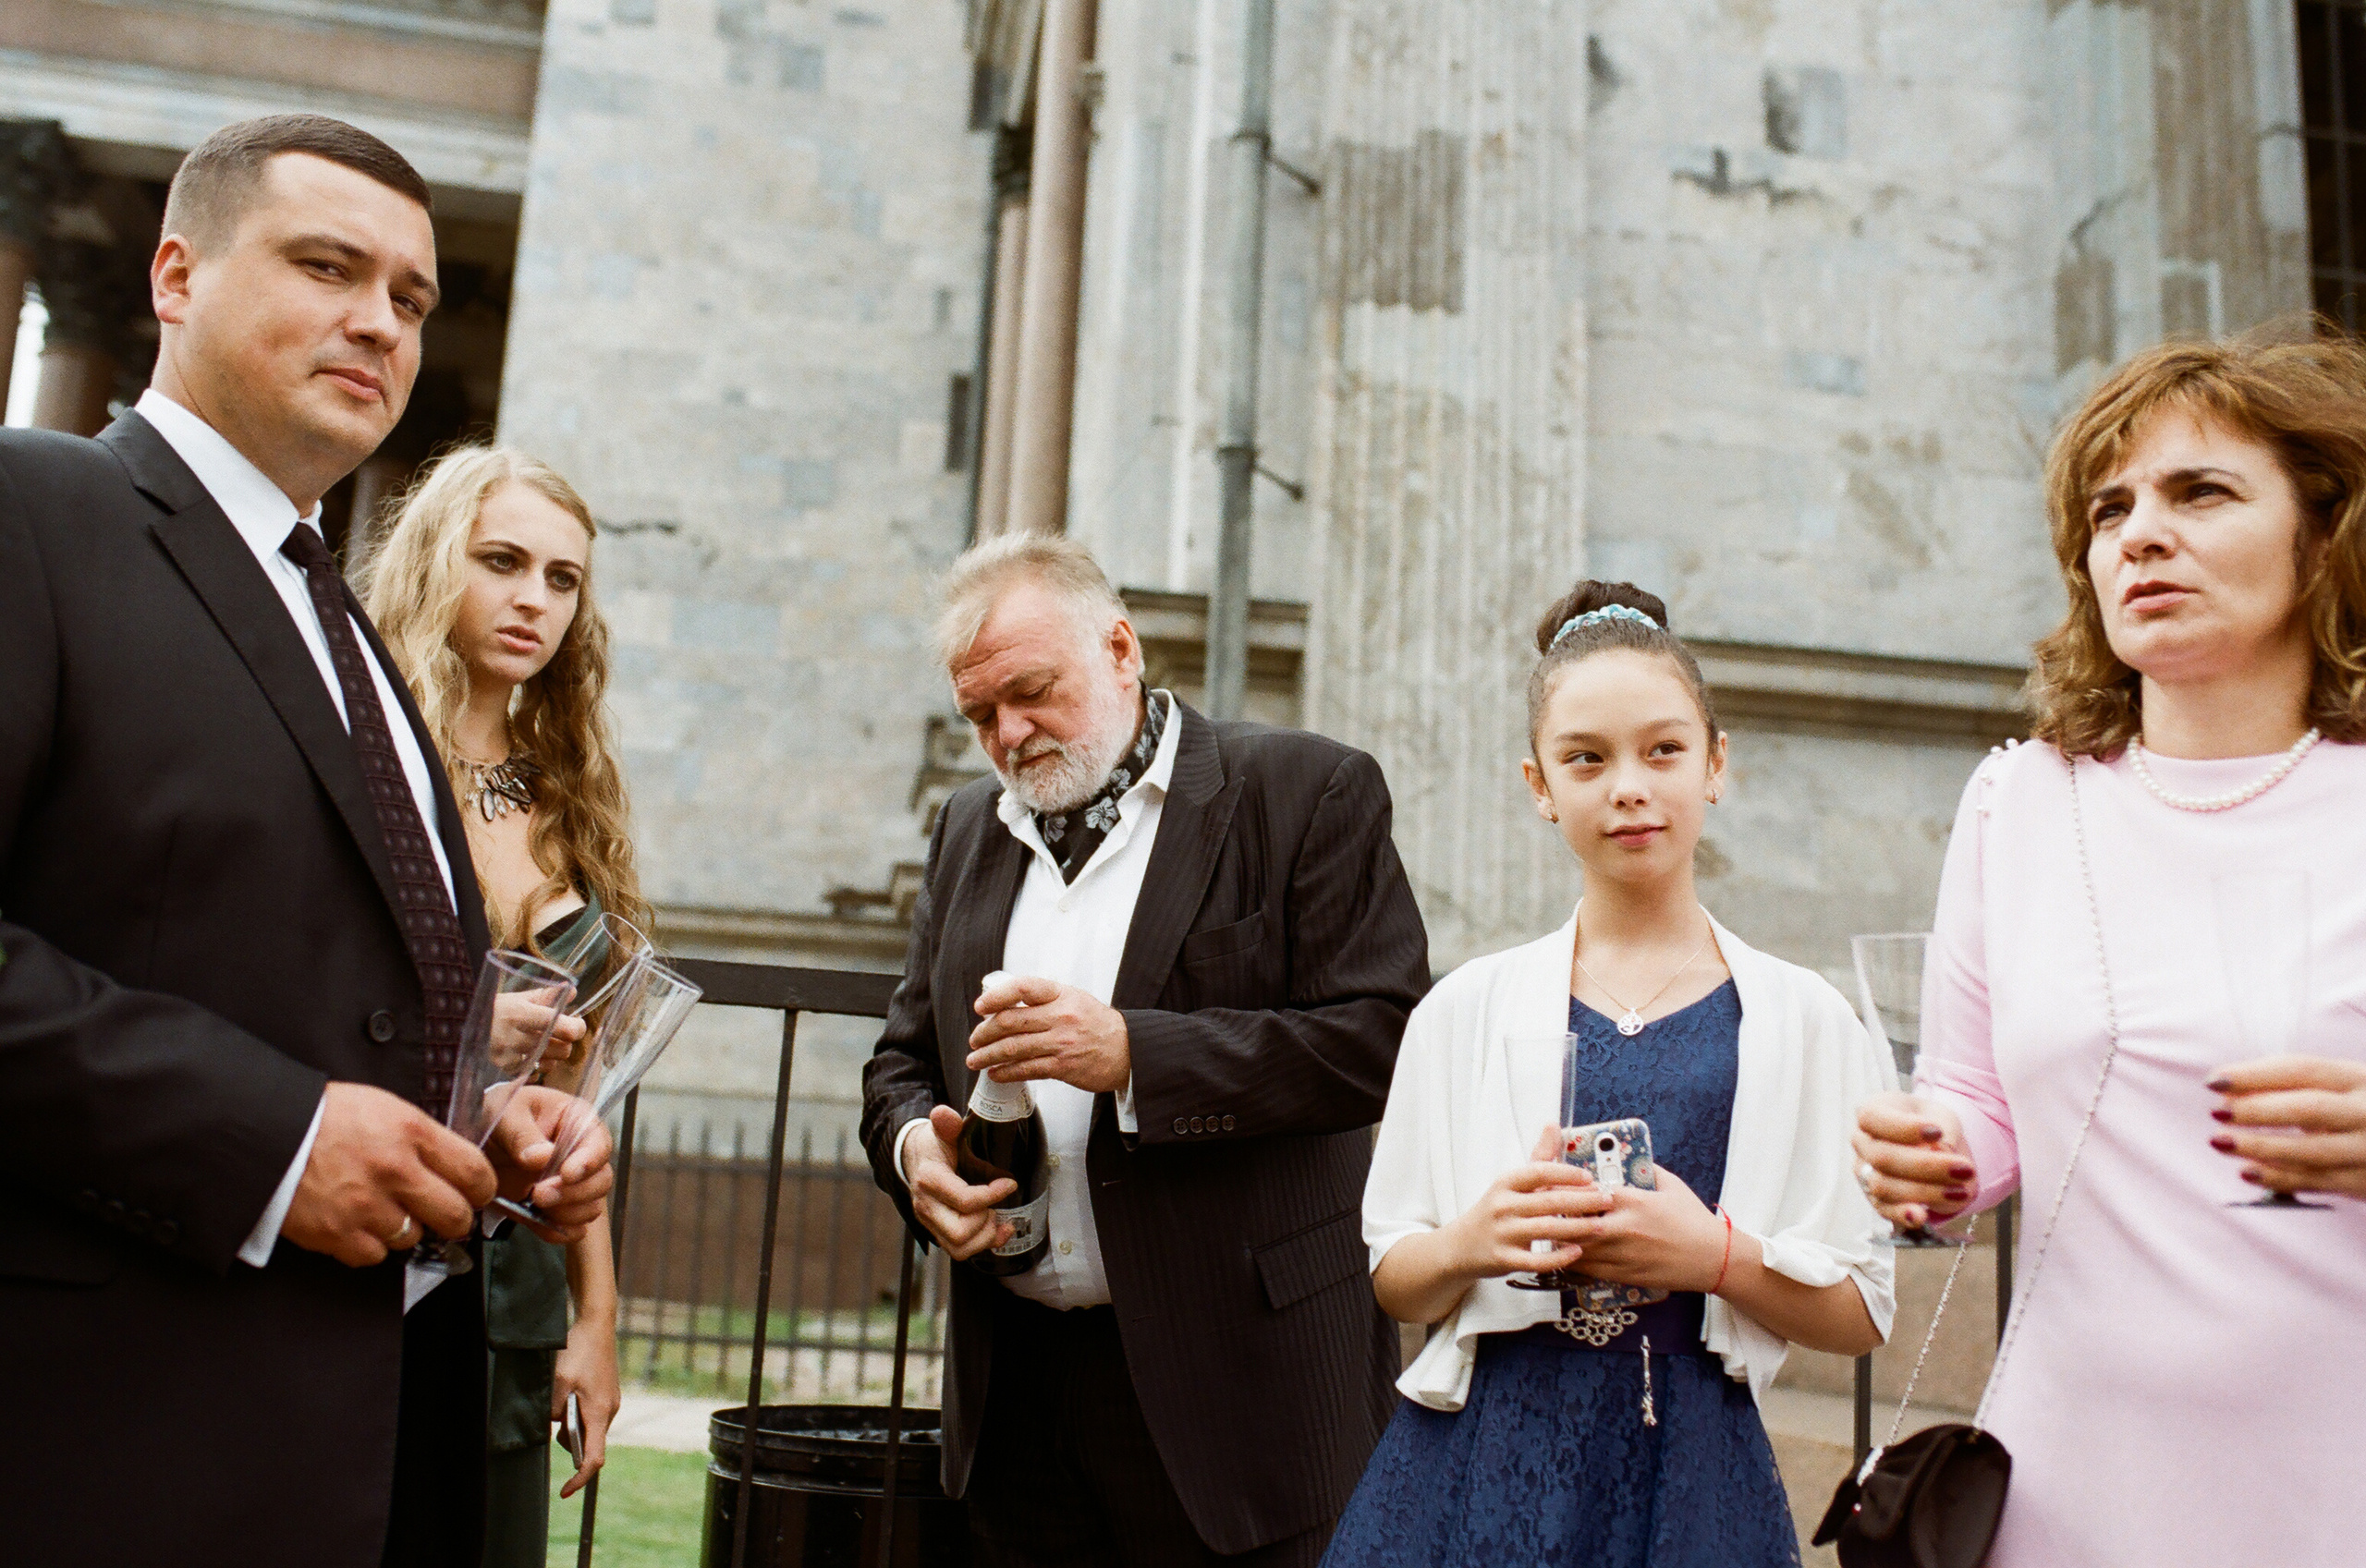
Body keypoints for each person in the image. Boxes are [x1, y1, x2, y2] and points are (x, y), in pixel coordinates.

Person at [0, 115, 613, 1568]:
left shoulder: (353, 635)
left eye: (411, 295)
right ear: (175, 276)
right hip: (109, 1438)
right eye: (328, 266)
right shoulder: (33, 509)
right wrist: (272, 1141)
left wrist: (482, 1120)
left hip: (367, 1436)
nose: (380, 321)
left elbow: (328, 981)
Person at [1852, 331, 2366, 1565]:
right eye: (2110, 508)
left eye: (2201, 492)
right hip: (2069, 1469)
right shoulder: (2018, 800)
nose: (2141, 533)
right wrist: (1929, 1155)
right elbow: (1977, 1098)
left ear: (2324, 532)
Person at [860, 534, 1432, 1567]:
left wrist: (1134, 1055)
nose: (1008, 733)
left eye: (1032, 691)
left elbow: (1379, 1040)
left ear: (1120, 649)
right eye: (980, 713)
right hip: (1018, 1401)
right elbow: (900, 1060)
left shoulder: (1305, 789)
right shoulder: (964, 828)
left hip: (1242, 1399)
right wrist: (915, 1155)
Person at [1324, 582, 1895, 1568]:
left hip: (1694, 1461)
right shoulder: (1462, 1009)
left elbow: (1861, 1312)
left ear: (1716, 764)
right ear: (1539, 784)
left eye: (1662, 749)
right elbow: (1396, 1279)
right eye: (1585, 758)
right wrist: (1472, 1239)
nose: (1628, 785)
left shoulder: (1806, 1018)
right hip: (1478, 1458)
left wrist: (1715, 1256)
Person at [358, 444, 641, 1564]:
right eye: (503, 561)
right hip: (378, 1234)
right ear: (438, 561)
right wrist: (471, 1034)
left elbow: (579, 1102)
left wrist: (595, 1316)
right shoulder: (367, 751)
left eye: (563, 578)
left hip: (519, 1280)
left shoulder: (566, 787)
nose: (535, 599)